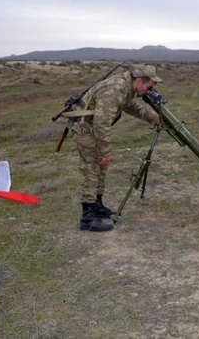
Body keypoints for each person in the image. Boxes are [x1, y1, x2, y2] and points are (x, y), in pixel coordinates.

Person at [68, 64, 161, 232]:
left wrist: (154, 117)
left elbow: (131, 106)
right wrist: (105, 152)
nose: (150, 90)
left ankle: (97, 206)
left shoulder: (127, 88)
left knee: (100, 169)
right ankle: (87, 218)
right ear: (140, 81)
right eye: (150, 86)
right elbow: (101, 123)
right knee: (92, 171)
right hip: (86, 131)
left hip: (93, 130)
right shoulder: (116, 89)